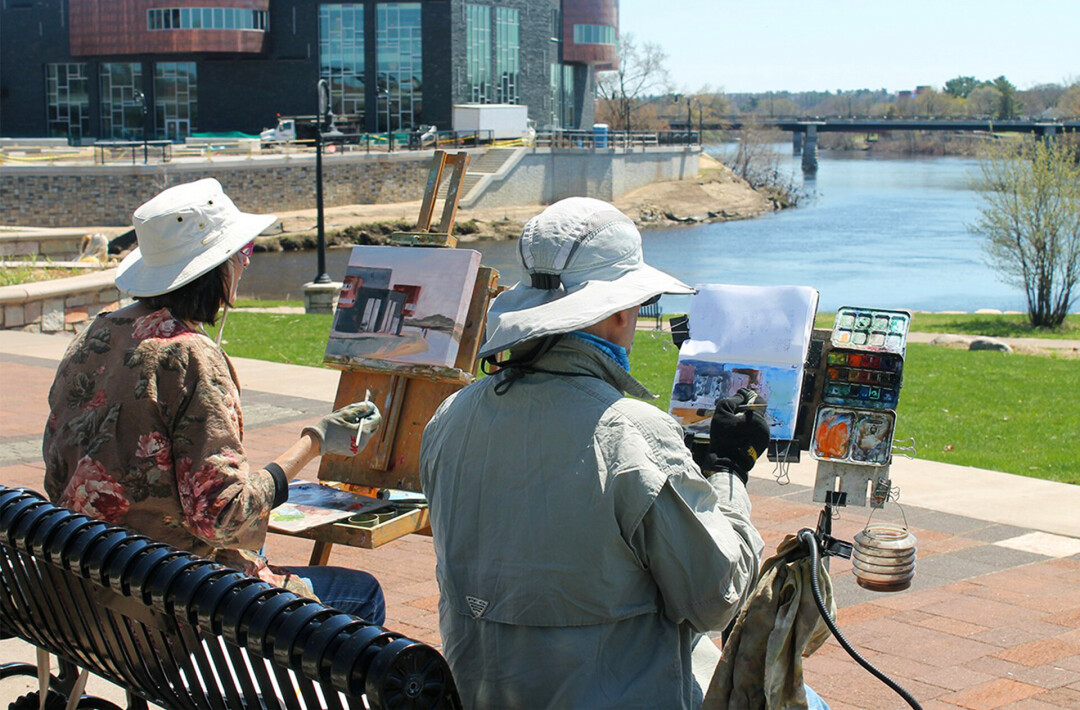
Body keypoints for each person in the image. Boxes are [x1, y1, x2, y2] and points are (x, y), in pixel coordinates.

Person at [419, 197, 769, 709]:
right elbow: (718, 598)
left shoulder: (450, 416)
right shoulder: (632, 433)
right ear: (620, 312)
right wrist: (729, 471)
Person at [43, 178, 386, 623]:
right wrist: (316, 440)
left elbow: (58, 472)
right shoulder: (189, 354)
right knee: (363, 595)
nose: (246, 264)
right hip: (170, 603)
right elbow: (220, 517)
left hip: (86, 589)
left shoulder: (94, 335)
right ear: (214, 268)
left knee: (257, 545)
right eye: (242, 253)